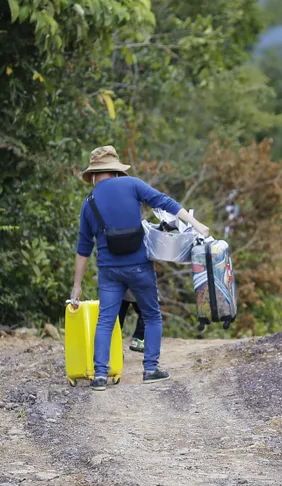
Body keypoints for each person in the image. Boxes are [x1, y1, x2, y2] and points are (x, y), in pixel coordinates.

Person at [70, 146, 209, 390]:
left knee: (106, 320)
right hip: (139, 267)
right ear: (115, 171)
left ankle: (100, 375)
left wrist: (76, 287)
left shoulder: (88, 203)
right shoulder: (133, 185)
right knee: (152, 315)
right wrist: (196, 224)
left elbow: (83, 249)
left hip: (109, 271)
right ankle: (150, 369)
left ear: (93, 175)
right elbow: (165, 202)